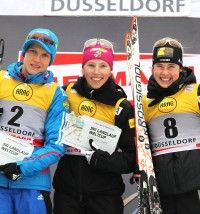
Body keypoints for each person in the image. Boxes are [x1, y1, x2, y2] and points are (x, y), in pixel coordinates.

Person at [53, 38, 136, 214]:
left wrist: (103, 160)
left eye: (103, 66)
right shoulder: (65, 93)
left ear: (110, 69)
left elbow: (132, 159)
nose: (96, 72)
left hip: (105, 196)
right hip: (67, 193)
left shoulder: (121, 106)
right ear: (83, 67)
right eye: (91, 65)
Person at [0, 28, 69, 214]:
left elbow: (56, 146)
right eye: (33, 52)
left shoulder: (56, 94)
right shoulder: (1, 79)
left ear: (51, 60)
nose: (37, 60)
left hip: (32, 184)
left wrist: (22, 168)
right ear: (24, 52)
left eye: (44, 55)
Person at [143, 37, 200, 214]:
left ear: (180, 68)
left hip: (193, 188)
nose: (165, 73)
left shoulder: (195, 93)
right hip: (160, 189)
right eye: (159, 66)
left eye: (171, 67)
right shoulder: (145, 102)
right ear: (152, 68)